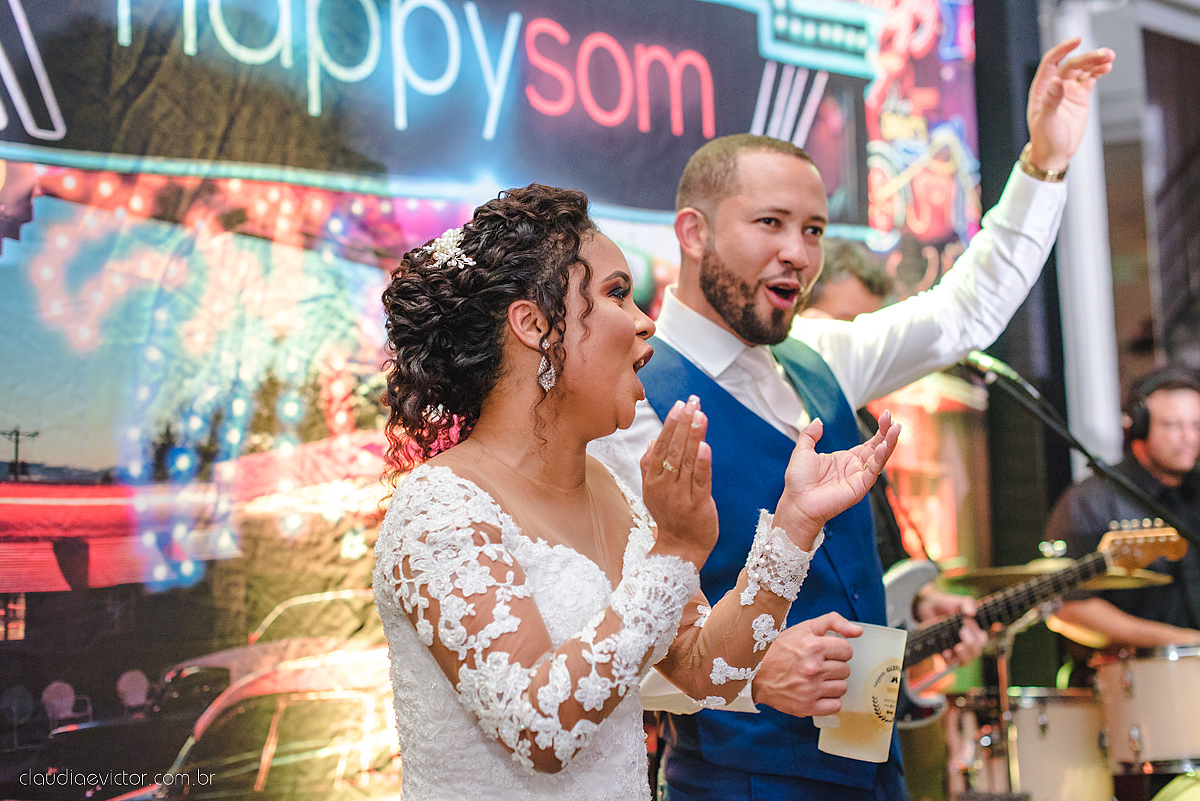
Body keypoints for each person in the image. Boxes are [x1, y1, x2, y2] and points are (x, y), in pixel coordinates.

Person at [590, 38, 1114, 800]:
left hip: (876, 768)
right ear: (693, 233)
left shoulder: (821, 355)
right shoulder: (632, 399)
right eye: (770, 222)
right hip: (741, 784)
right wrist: (746, 674)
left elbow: (965, 312)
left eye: (812, 230)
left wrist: (1044, 163)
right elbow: (603, 649)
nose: (798, 254)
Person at [372, 183, 901, 800]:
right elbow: (538, 730)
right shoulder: (440, 508)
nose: (645, 320)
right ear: (533, 324)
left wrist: (794, 524)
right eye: (616, 293)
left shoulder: (609, 490)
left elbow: (706, 670)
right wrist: (676, 550)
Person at [1048, 366, 1200, 650]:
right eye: (1173, 425)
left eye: (1196, 425)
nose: (1189, 437)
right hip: (1132, 669)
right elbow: (1070, 608)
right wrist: (1182, 642)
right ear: (1138, 426)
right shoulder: (1091, 500)